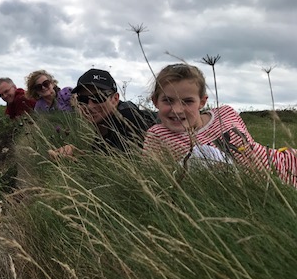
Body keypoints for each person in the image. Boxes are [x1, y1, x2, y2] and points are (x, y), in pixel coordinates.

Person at [143, 63, 297, 187]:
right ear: (155, 101)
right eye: (168, 100)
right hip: (262, 189)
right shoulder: (158, 136)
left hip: (286, 163)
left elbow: (252, 148)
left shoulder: (226, 113)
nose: (177, 110)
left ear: (202, 102)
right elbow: (153, 180)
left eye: (188, 101)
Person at [73, 68, 150, 153]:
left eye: (99, 97)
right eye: (82, 99)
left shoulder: (128, 118)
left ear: (115, 99)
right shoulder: (104, 124)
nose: (90, 106)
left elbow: (130, 156)